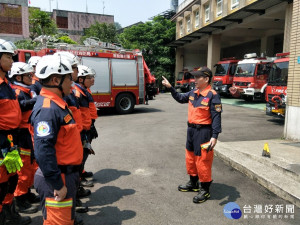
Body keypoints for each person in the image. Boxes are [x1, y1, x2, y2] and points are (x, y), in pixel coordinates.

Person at [30, 55, 83, 224]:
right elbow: (43, 151)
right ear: (55, 80)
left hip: (66, 175)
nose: (72, 82)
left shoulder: (56, 104)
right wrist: (57, 184)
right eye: (68, 78)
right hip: (58, 177)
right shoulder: (48, 109)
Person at [162, 67, 222, 204]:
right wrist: (171, 88)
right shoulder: (193, 92)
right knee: (190, 157)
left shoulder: (213, 95)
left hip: (204, 132)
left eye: (197, 77)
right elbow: (179, 98)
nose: (194, 80)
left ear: (206, 79)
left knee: (203, 160)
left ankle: (205, 189)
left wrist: (215, 136)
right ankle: (193, 183)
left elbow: (217, 117)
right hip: (191, 130)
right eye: (194, 77)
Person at [0, 39, 32, 225]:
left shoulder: (6, 84)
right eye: (7, 57)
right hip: (2, 139)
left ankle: (10, 213)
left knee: (11, 178)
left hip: (12, 139)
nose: (12, 60)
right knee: (1, 182)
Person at [9, 62, 39, 214]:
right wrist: (35, 101)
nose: (31, 78)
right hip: (21, 135)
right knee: (23, 169)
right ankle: (20, 197)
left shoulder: (26, 90)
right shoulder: (17, 91)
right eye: (29, 75)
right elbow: (20, 106)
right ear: (19, 77)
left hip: (29, 132)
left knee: (30, 166)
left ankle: (26, 192)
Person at [74, 65, 97, 188]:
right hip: (82, 130)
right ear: (81, 79)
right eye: (89, 77)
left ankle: (80, 175)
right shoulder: (77, 93)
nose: (92, 79)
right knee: (80, 156)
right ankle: (78, 180)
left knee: (84, 154)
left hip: (87, 128)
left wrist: (91, 126)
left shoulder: (84, 90)